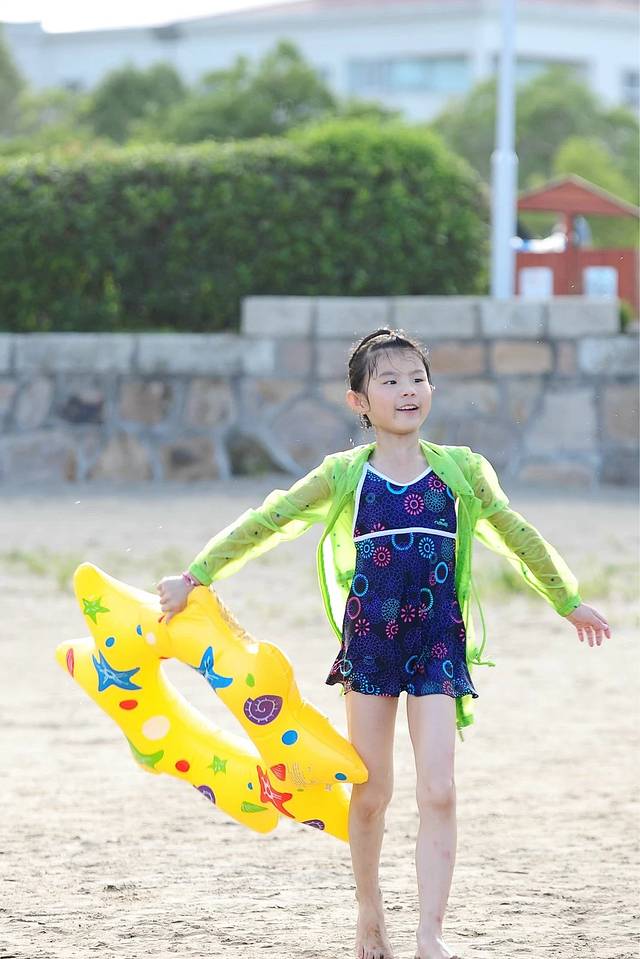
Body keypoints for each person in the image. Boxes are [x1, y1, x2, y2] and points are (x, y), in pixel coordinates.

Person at [157, 327, 611, 959]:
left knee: (439, 790)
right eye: (389, 381)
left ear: (432, 389)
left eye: (417, 378)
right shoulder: (345, 475)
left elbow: (515, 533)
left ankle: (430, 936)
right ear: (359, 402)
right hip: (372, 645)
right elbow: (270, 520)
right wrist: (195, 576)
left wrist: (566, 599)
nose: (407, 391)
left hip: (437, 643)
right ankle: (369, 912)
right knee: (371, 793)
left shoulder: (461, 471)